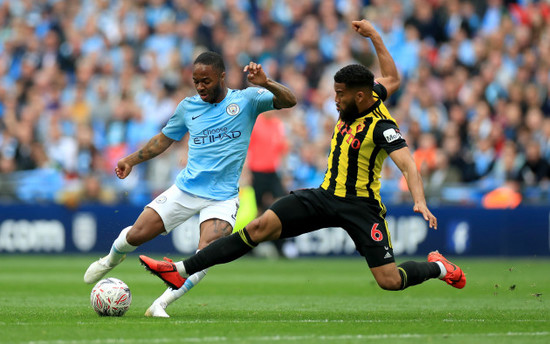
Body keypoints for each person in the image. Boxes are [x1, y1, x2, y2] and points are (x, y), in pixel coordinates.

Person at [140, 20, 466, 301]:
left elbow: (408, 164)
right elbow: (392, 78)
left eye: (340, 95)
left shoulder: (382, 127)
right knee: (258, 226)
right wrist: (374, 37)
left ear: (361, 96)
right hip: (325, 196)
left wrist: (420, 201)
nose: (335, 100)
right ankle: (179, 269)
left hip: (361, 206)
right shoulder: (371, 93)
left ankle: (439, 267)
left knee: (390, 281)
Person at [83, 51, 297, 318]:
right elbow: (163, 140)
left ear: (221, 76)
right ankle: (110, 260)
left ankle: (160, 304)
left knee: (205, 254)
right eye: (196, 81)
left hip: (222, 197)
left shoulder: (247, 100)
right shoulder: (188, 107)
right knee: (137, 234)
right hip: (185, 189)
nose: (200, 86)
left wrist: (265, 83)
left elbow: (290, 100)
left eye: (205, 80)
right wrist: (130, 160)